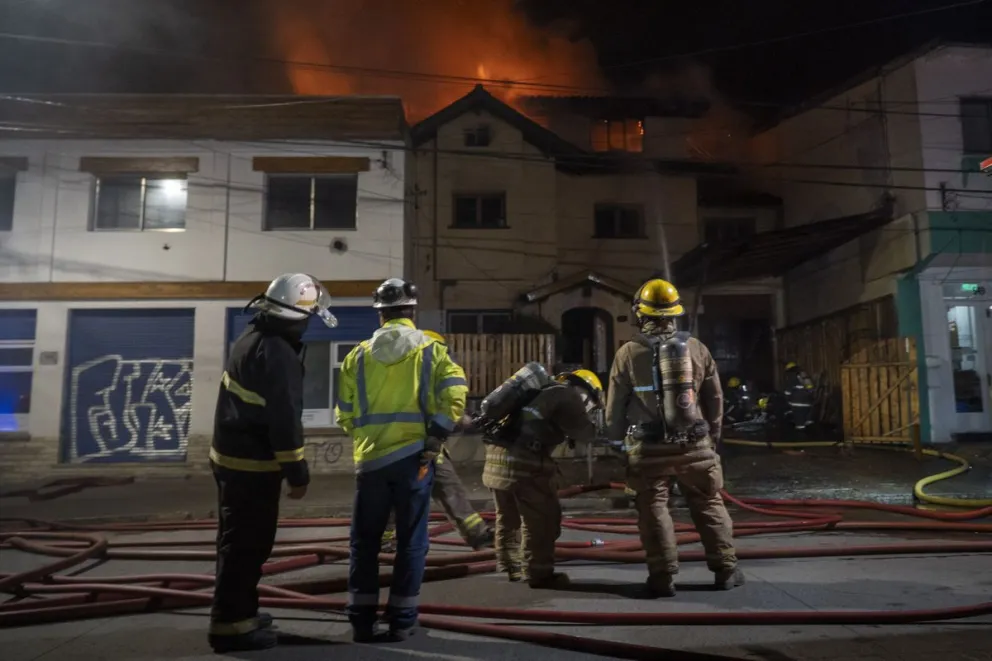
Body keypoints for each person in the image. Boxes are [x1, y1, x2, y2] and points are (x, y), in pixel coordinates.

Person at [208, 273, 338, 652]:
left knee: (236, 542)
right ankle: (232, 627)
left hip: (232, 460)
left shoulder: (253, 337)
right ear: (298, 315)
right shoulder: (278, 353)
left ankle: (241, 613)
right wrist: (297, 472)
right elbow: (284, 419)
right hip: (251, 467)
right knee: (248, 546)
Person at [336, 278, 468, 642]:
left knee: (364, 543)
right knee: (411, 542)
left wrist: (366, 438)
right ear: (411, 311)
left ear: (380, 314)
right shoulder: (431, 349)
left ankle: (361, 620)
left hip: (371, 461)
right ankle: (402, 619)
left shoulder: (356, 355)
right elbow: (455, 394)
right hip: (415, 459)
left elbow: (343, 412)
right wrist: (436, 433)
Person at [605, 278, 744, 598]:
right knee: (709, 503)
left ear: (641, 314)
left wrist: (616, 444)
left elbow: (614, 409)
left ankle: (662, 576)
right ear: (674, 312)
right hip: (695, 444)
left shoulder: (627, 354)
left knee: (653, 508)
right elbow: (716, 400)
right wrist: (712, 437)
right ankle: (725, 569)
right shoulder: (697, 349)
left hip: (649, 449)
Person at [482, 368, 601, 587]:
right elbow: (585, 433)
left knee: (507, 517)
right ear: (586, 391)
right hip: (525, 463)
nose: (590, 407)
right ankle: (539, 573)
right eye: (592, 402)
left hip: (495, 460)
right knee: (541, 521)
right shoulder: (569, 395)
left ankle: (511, 566)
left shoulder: (539, 390)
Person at [381, 331, 495, 554]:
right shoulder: (421, 378)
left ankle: (479, 536)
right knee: (405, 495)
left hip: (421, 447)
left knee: (450, 490)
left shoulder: (414, 377)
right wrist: (464, 421)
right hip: (416, 446)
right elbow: (442, 409)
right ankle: (383, 540)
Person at [783, 361, 816, 430]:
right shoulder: (804, 375)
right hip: (808, 404)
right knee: (808, 424)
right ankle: (812, 438)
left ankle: (801, 437)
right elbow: (811, 389)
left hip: (797, 405)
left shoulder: (791, 376)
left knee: (800, 426)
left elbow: (787, 392)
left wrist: (787, 401)